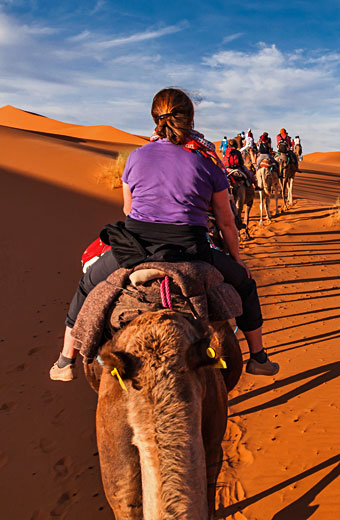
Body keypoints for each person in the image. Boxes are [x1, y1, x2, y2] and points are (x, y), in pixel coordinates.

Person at [49, 88, 279, 382]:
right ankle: (259, 357)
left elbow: (128, 208)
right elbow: (226, 222)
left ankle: (66, 360)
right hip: (191, 250)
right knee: (246, 284)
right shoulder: (207, 160)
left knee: (86, 286)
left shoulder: (136, 157)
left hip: (135, 249)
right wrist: (237, 260)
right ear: (190, 118)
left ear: (155, 118)